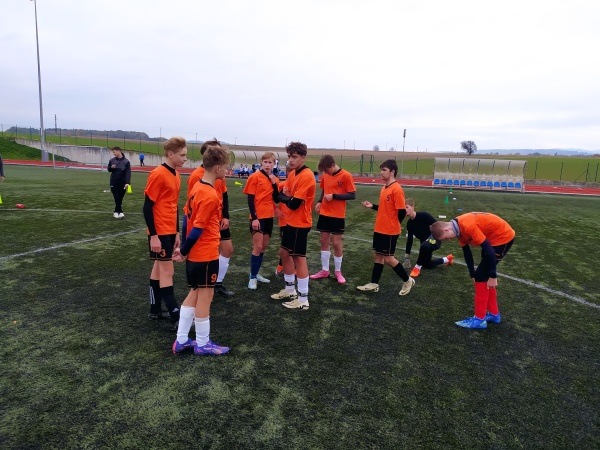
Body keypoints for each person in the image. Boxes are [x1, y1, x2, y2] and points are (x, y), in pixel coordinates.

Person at [171, 145, 231, 356]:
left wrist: (184, 249)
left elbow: (187, 220)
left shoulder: (197, 187)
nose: (227, 170)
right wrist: (183, 250)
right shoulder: (209, 194)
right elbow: (197, 228)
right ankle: (203, 343)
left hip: (197, 254)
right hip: (205, 254)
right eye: (225, 167)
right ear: (217, 168)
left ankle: (181, 340)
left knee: (194, 293)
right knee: (206, 297)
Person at [430, 212, 515, 329]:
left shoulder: (467, 226)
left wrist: (493, 276)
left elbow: (490, 252)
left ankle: (479, 320)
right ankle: (494, 315)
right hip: (491, 239)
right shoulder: (458, 230)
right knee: (480, 275)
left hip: (502, 237)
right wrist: (472, 274)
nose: (448, 240)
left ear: (446, 230)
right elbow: (467, 253)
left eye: (445, 238)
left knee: (481, 275)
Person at [143, 137, 187, 328]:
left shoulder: (176, 175)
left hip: (169, 230)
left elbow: (173, 206)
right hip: (159, 232)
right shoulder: (157, 174)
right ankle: (176, 315)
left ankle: (154, 310)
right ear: (171, 154)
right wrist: (153, 236)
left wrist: (176, 232)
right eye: (182, 155)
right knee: (168, 271)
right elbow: (147, 207)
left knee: (158, 269)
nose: (185, 158)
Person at [357, 159, 415, 296]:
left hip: (389, 230)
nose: (381, 172)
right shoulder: (384, 188)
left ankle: (408, 280)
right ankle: (374, 284)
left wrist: (393, 224)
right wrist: (372, 206)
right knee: (378, 256)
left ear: (392, 171)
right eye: (381, 169)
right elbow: (386, 208)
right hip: (379, 228)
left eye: (384, 170)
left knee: (388, 258)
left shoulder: (397, 189)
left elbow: (401, 211)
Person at [186, 138, 234, 298]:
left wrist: (225, 215)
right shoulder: (197, 177)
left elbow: (224, 195)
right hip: (204, 224)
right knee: (203, 256)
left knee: (228, 249)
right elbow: (191, 206)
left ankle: (216, 283)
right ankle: (202, 287)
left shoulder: (219, 175)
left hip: (218, 219)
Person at [271, 142, 316, 310]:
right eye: (289, 156)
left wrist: (286, 198)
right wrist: (282, 193)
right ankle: (290, 290)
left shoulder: (306, 175)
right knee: (284, 253)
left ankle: (303, 300)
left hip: (300, 223)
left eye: (294, 156)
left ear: (303, 157)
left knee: (299, 258)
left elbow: (294, 204)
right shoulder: (293, 174)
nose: (291, 159)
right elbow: (279, 196)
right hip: (291, 222)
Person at [310, 154, 356, 284]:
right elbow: (324, 190)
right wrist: (320, 201)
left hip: (338, 215)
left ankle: (338, 272)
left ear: (333, 165)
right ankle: (325, 270)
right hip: (325, 213)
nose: (325, 172)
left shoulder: (346, 175)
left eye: (326, 169)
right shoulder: (326, 175)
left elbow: (352, 195)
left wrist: (334, 196)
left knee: (336, 243)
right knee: (324, 240)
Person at [243, 152, 279, 290]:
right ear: (261, 163)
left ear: (274, 164)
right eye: (265, 162)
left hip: (269, 217)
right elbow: (250, 199)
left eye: (270, 162)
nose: (268, 165)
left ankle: (256, 273)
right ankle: (252, 277)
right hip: (258, 217)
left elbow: (276, 198)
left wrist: (274, 183)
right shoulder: (254, 177)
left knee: (263, 246)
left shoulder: (274, 179)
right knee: (257, 247)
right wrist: (254, 218)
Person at [403, 198, 453, 278]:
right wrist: (407, 256)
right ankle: (447, 259)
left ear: (412, 207)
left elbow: (437, 226)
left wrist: (446, 236)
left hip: (435, 239)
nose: (405, 209)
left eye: (407, 207)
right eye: (403, 208)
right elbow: (410, 240)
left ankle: (417, 268)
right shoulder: (409, 224)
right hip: (425, 245)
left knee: (424, 246)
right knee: (427, 265)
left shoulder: (424, 215)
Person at [107, 147, 131, 219]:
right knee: (116, 197)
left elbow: (128, 173)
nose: (113, 153)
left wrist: (127, 182)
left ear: (119, 151)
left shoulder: (126, 161)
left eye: (114, 152)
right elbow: (109, 169)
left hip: (123, 183)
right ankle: (117, 212)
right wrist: (111, 167)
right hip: (114, 182)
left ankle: (119, 211)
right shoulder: (112, 160)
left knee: (120, 198)